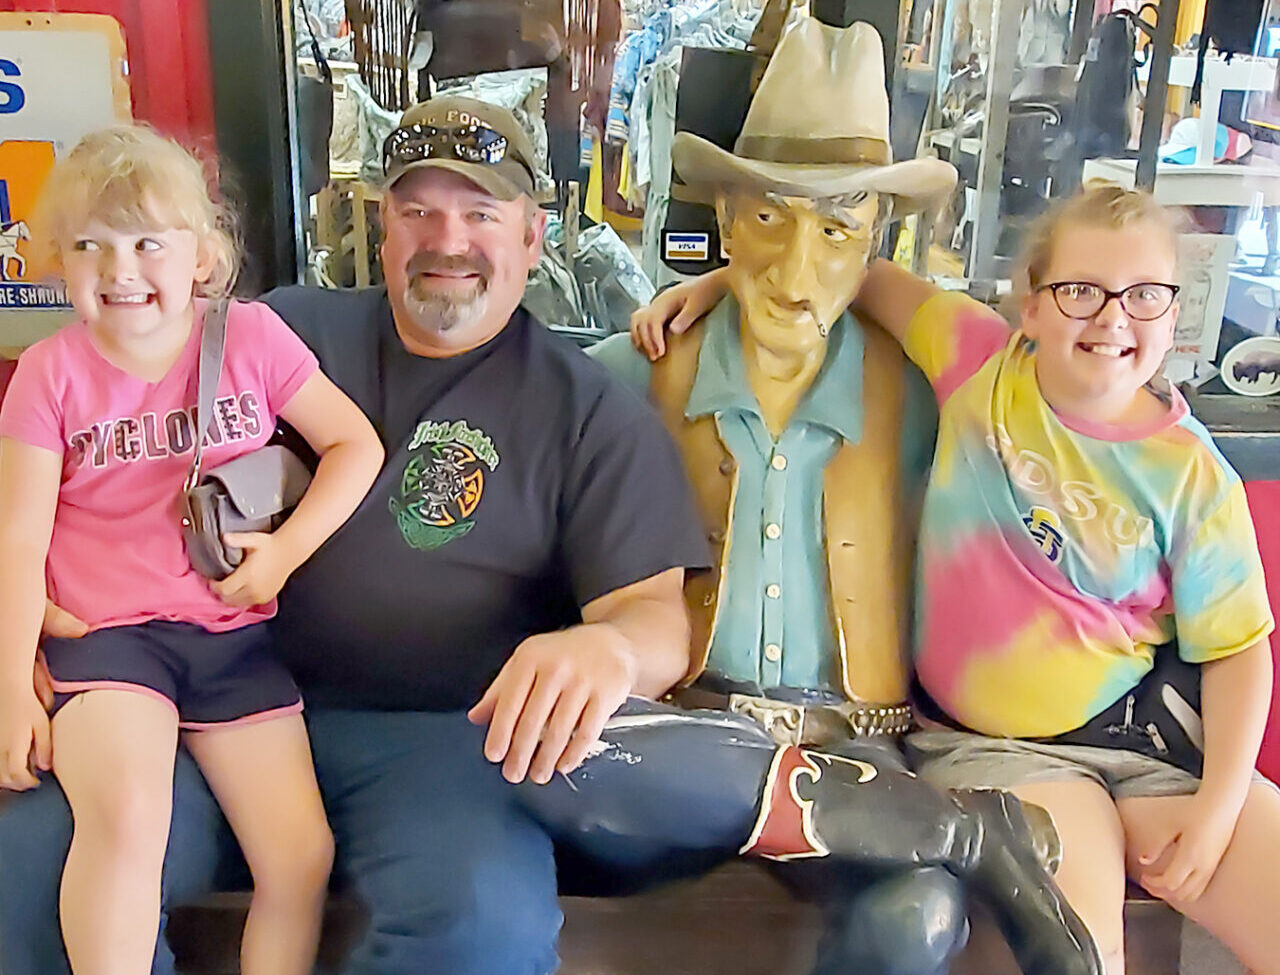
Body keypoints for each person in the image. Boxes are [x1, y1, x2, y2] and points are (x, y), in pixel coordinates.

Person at [0, 96, 709, 975]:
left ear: (534, 236)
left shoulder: (590, 411)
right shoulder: (279, 329)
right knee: (20, 864)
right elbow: (64, 459)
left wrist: (606, 649)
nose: (446, 240)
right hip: (188, 705)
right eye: (417, 211)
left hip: (438, 742)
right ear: (384, 229)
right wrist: (24, 634)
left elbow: (656, 617)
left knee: (475, 925)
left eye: (480, 214)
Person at [516, 19, 1101, 975]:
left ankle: (912, 828)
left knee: (916, 915)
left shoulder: (927, 396)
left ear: (876, 240)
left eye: (835, 232)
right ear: (727, 215)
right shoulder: (630, 376)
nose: (796, 273)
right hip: (681, 745)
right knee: (540, 756)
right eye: (766, 221)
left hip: (864, 753)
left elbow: (1073, 419)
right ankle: (960, 831)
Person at [632, 183, 1280, 974]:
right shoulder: (976, 358)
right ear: (1030, 304)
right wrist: (718, 283)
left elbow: (1240, 648)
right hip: (998, 749)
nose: (1113, 318)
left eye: (1144, 295)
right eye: (1081, 291)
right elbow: (848, 269)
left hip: (1145, 742)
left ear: (1174, 315)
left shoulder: (1191, 471)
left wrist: (1218, 806)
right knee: (1077, 948)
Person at [0, 126, 384, 975]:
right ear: (58, 262)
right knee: (131, 818)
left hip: (231, 634)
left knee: (300, 857)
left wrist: (284, 555)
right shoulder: (48, 373)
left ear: (202, 255)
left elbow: (356, 446)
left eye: (147, 242)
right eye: (90, 246)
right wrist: (8, 686)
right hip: (107, 638)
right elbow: (17, 536)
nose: (120, 269)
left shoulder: (250, 338)